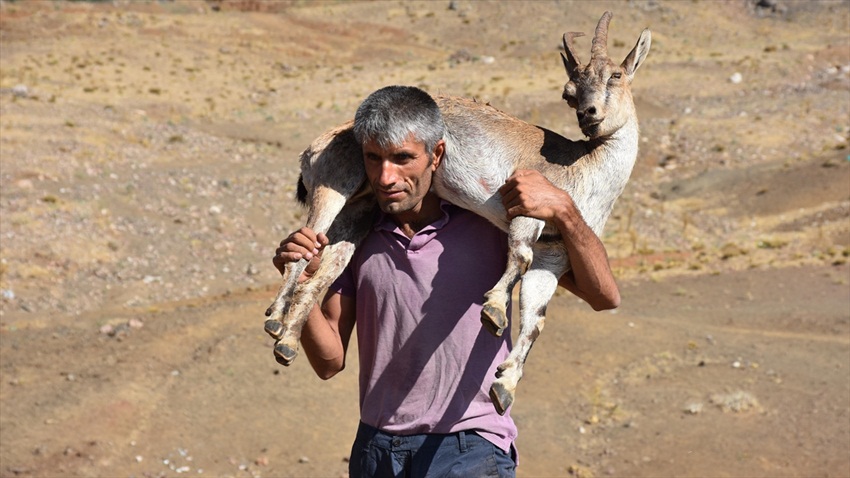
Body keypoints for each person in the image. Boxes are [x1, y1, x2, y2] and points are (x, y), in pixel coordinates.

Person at [273, 85, 620, 478]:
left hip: (468, 447)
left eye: (403, 158)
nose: (387, 176)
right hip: (376, 450)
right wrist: (297, 278)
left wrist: (564, 209)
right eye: (374, 159)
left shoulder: (491, 224)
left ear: (436, 155)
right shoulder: (355, 238)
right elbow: (329, 361)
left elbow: (603, 295)